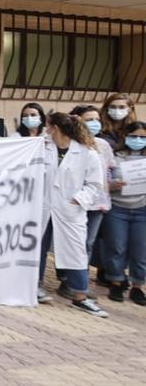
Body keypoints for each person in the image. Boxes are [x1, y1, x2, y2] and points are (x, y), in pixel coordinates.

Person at [40, 112, 107, 317]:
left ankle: (80, 296)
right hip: (42, 207)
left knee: (76, 251)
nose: (45, 129)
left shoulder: (87, 153)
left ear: (55, 128)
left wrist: (80, 198)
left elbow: (95, 184)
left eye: (47, 126)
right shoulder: (40, 147)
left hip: (70, 209)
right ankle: (34, 287)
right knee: (37, 247)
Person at [73, 105, 115, 281]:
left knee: (88, 243)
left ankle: (81, 280)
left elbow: (110, 171)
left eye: (97, 119)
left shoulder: (103, 144)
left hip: (98, 202)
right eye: (89, 119)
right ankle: (67, 278)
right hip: (74, 201)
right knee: (74, 243)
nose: (94, 123)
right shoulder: (69, 143)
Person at [106, 121, 146, 305]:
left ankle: (138, 286)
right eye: (134, 136)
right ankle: (116, 281)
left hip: (142, 210)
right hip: (118, 208)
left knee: (140, 251)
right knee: (117, 247)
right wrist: (112, 185)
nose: (138, 140)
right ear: (125, 137)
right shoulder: (115, 157)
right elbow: (103, 181)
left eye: (142, 137)